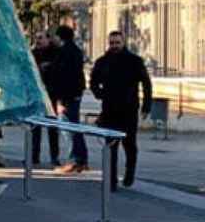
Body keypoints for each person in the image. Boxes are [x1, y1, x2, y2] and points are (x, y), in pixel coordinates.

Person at [90, 31, 152, 191]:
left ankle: (129, 174)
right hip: (109, 110)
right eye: (112, 43)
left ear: (123, 42)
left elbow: (146, 83)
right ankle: (111, 180)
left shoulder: (134, 61)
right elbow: (93, 82)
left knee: (129, 144)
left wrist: (146, 106)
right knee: (110, 145)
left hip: (129, 109)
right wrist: (100, 94)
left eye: (117, 43)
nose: (114, 46)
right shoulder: (102, 62)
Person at [52, 24, 89, 173]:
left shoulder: (64, 53)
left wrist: (60, 101)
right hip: (75, 94)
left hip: (67, 97)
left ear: (60, 37)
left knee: (68, 128)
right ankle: (82, 159)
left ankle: (74, 160)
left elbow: (64, 78)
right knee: (75, 127)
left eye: (55, 35)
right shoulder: (76, 51)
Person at [31, 31, 60, 165]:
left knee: (52, 128)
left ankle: (54, 157)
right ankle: (34, 155)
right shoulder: (32, 54)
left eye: (41, 38)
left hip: (51, 95)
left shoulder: (55, 53)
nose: (38, 41)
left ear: (48, 39)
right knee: (35, 128)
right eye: (36, 38)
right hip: (36, 96)